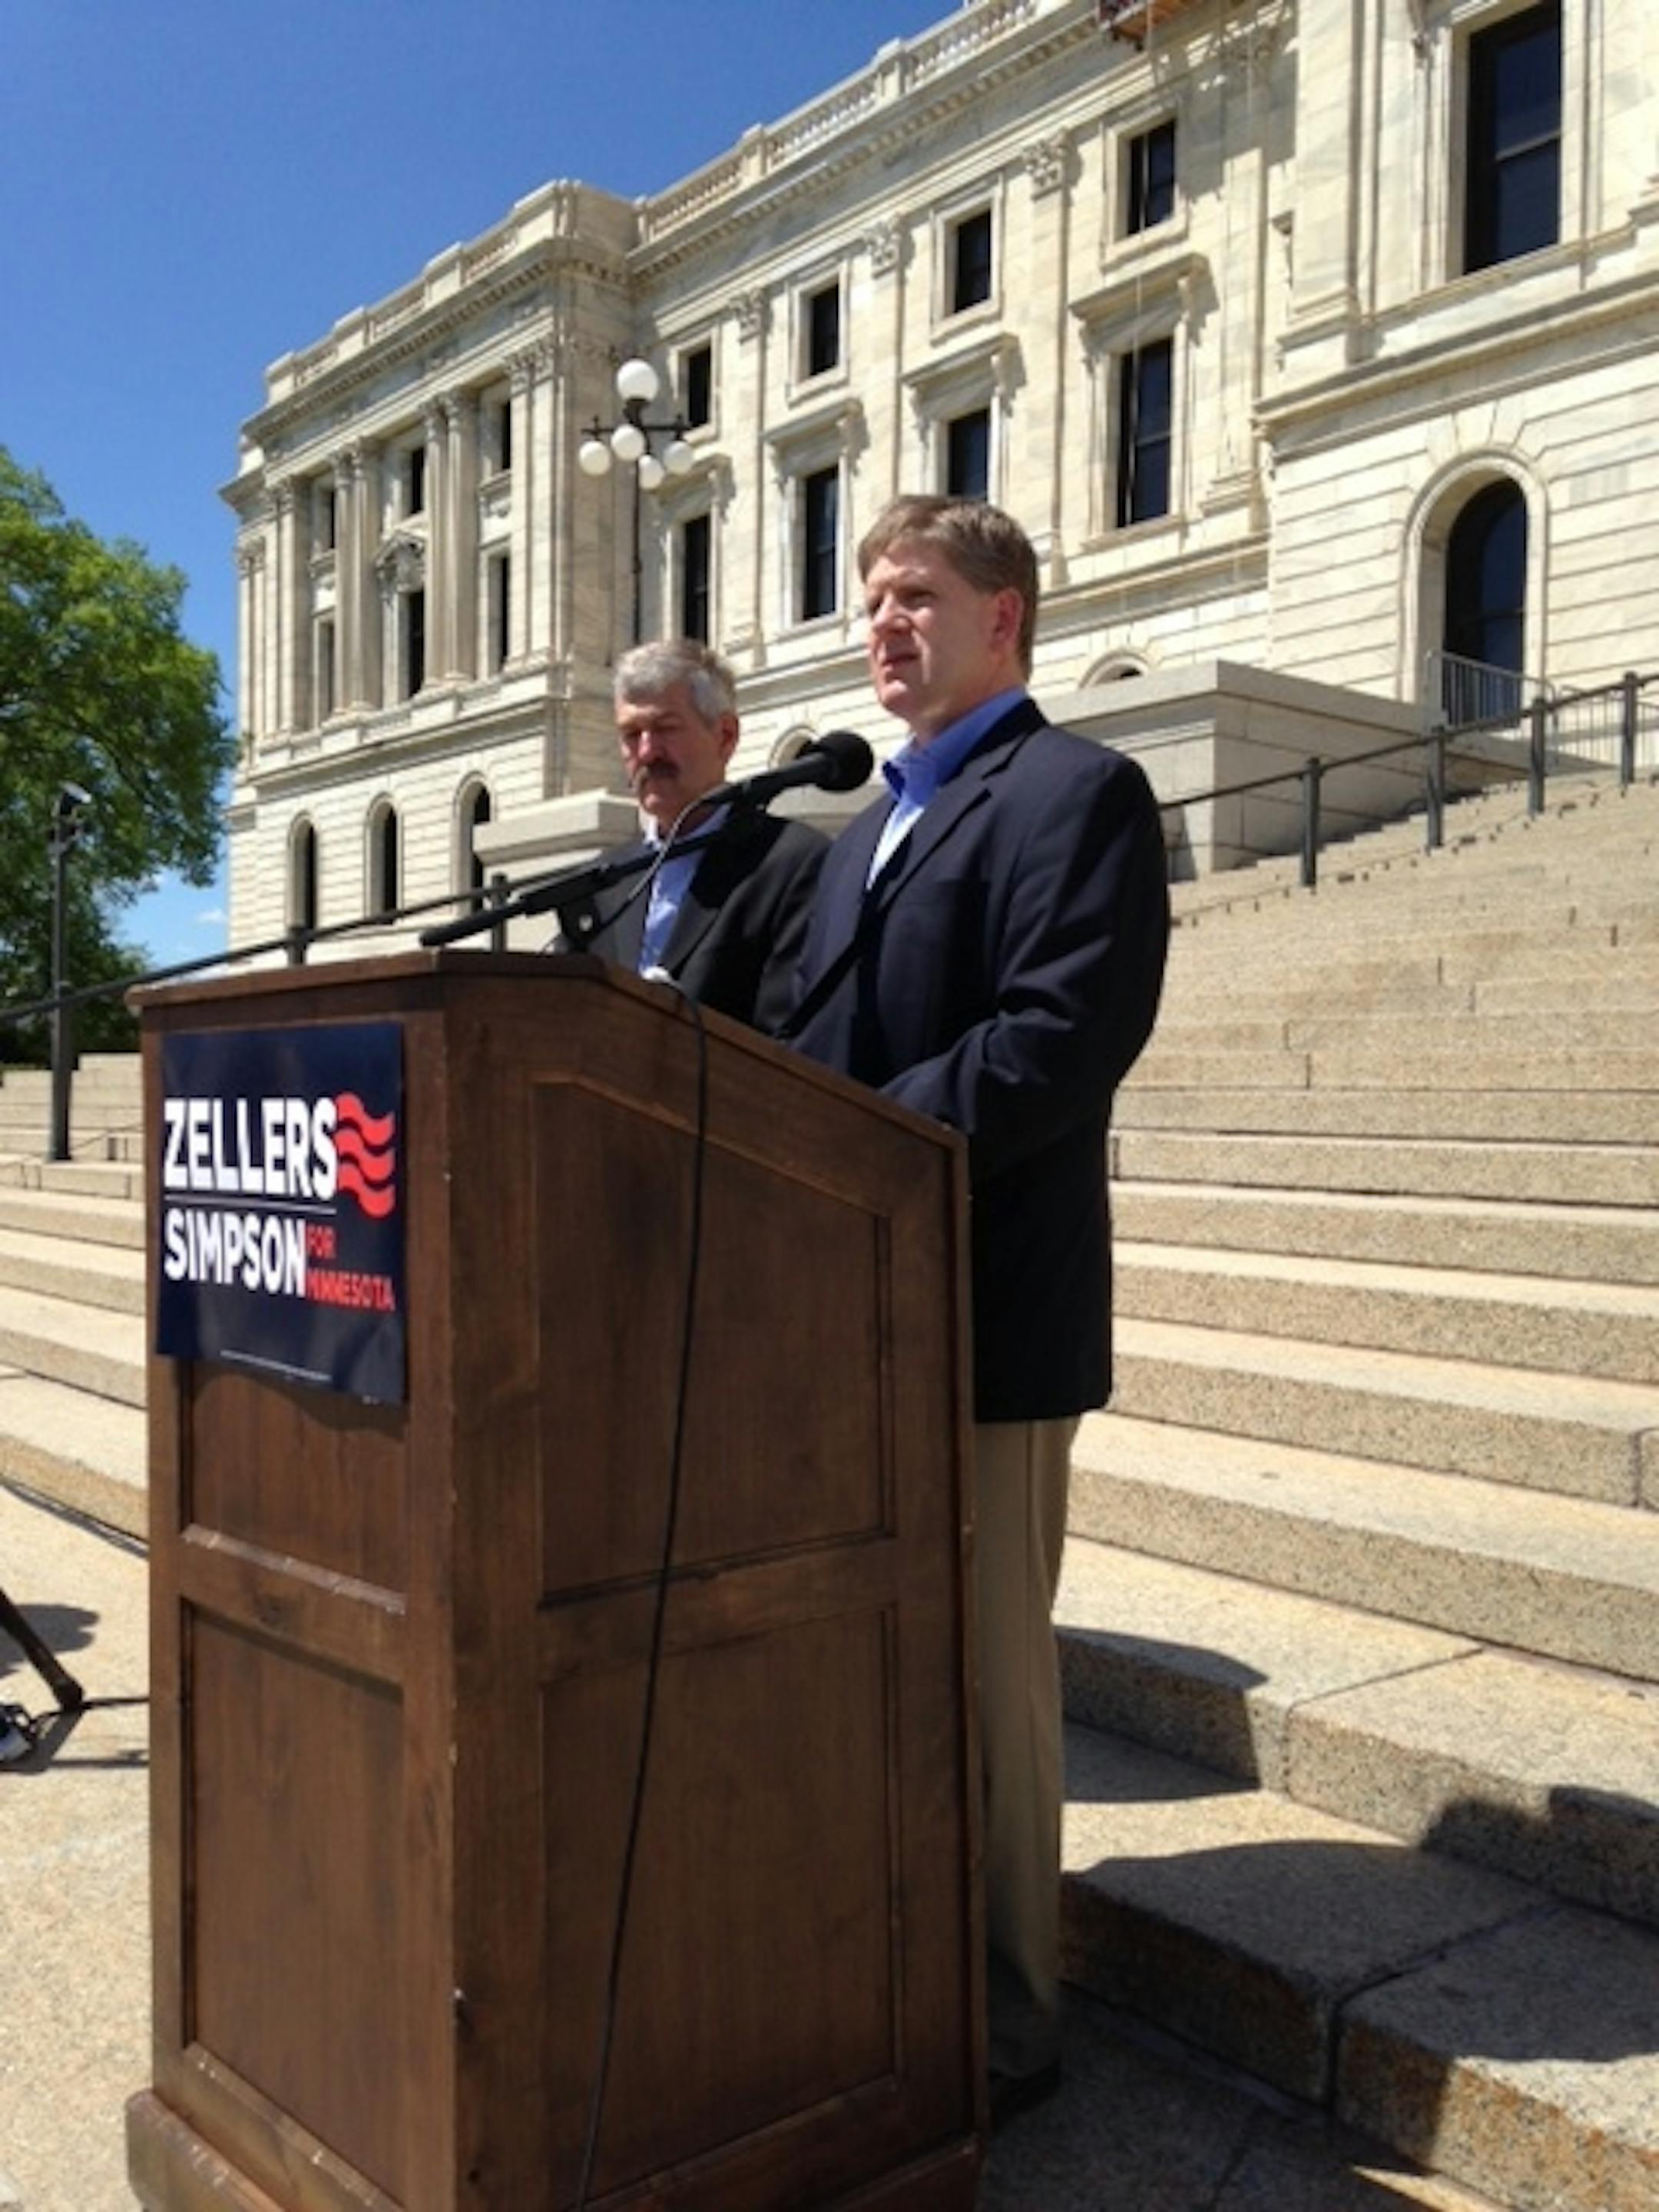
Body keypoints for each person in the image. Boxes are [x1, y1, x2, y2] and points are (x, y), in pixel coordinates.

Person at [784, 496, 1170, 2125]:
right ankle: (876, 1964)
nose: (882, 620)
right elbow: (799, 1042)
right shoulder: (855, 828)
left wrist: (841, 1151)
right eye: (871, 596)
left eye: (917, 595)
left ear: (1005, 615)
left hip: (987, 1318)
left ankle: (1009, 2022)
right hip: (836, 1309)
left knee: (992, 1686)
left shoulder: (1079, 792)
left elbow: (1057, 1038)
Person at [556, 640, 827, 1035]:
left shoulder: (792, 865)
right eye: (631, 734)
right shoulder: (600, 883)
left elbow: (789, 1039)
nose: (647, 753)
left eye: (665, 729)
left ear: (725, 736)